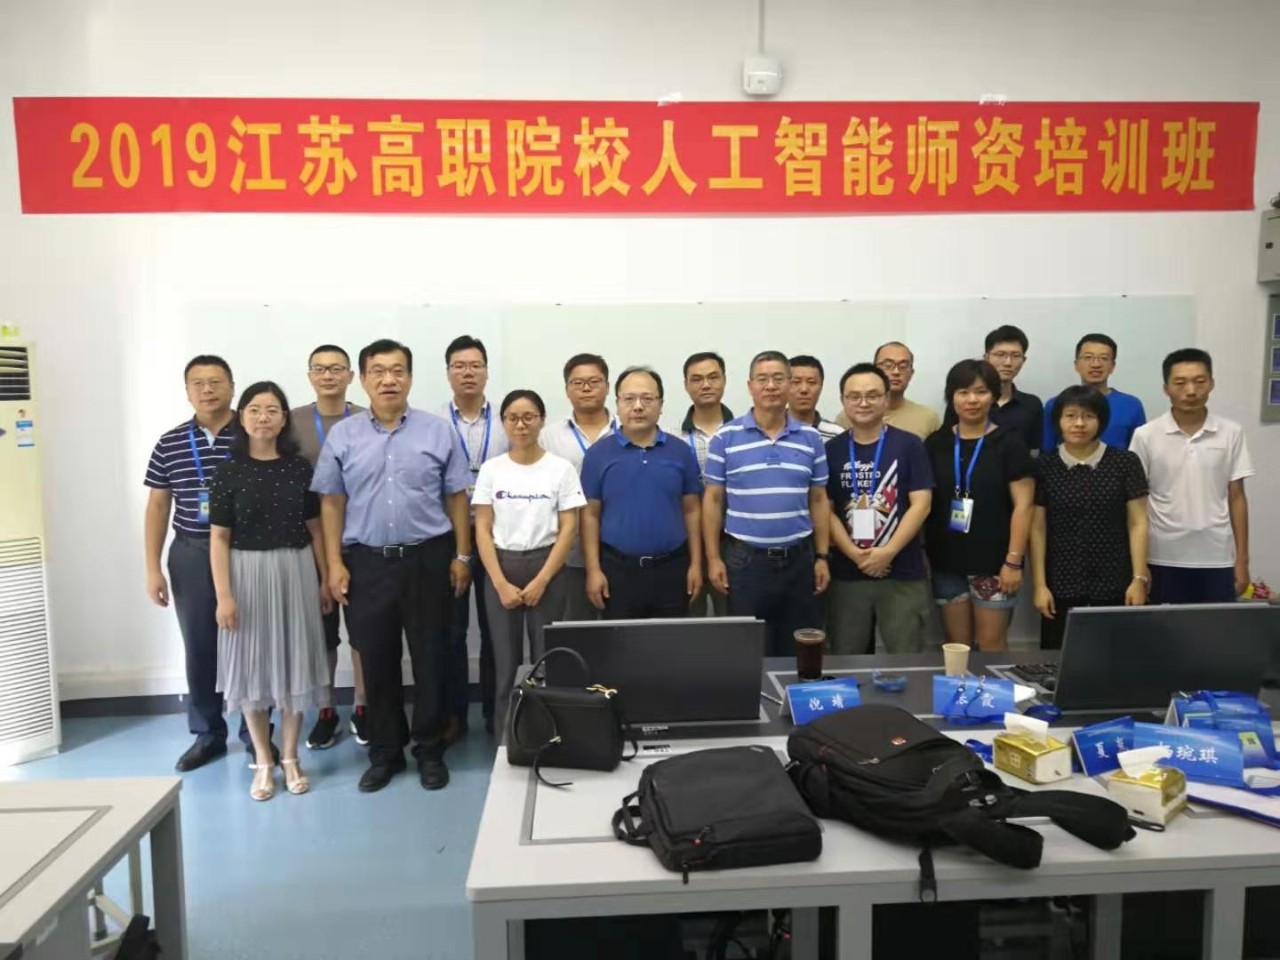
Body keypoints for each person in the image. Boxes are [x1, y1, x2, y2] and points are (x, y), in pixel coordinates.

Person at [311, 339, 474, 793]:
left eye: (398, 370)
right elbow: (331, 503)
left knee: (431, 657)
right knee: (376, 658)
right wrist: (335, 564)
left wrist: (462, 556)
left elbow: (457, 497)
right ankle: (385, 752)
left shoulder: (437, 431)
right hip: (367, 563)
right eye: (378, 371)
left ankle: (429, 750)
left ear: (410, 377)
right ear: (362, 379)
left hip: (428, 558)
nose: (389, 379)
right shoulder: (344, 436)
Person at [210, 382, 330, 801]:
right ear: (241, 418)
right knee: (252, 668)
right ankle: (263, 759)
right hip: (246, 574)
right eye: (255, 409)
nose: (263, 417)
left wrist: (324, 578)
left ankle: (291, 756)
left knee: (294, 663)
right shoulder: (227, 472)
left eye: (272, 410)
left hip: (295, 571)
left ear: (284, 419)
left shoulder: (299, 469)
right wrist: (224, 596)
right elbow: (219, 537)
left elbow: (316, 528)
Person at [145, 355, 261, 772]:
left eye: (215, 381)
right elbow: (158, 506)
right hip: (192, 552)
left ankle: (256, 735)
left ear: (232, 386)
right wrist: (152, 567)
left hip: (247, 550)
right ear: (187, 391)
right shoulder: (171, 442)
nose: (207, 390)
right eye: (198, 383)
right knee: (199, 644)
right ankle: (208, 734)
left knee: (253, 643)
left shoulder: (254, 433)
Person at [703, 351, 830, 657]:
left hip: (799, 559)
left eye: (778, 378)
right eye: (762, 379)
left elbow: (818, 499)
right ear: (750, 386)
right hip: (745, 561)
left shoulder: (811, 438)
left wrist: (822, 556)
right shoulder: (725, 438)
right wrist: (713, 558)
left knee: (798, 648)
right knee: (747, 650)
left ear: (789, 384)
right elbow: (713, 499)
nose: (770, 386)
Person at [473, 390, 585, 733]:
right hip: (501, 569)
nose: (521, 425)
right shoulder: (492, 469)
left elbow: (569, 528)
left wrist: (542, 580)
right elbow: (482, 528)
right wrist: (499, 583)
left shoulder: (560, 469)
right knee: (505, 662)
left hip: (547, 568)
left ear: (541, 420)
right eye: (513, 418)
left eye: (529, 417)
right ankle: (508, 737)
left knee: (545, 659)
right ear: (504, 422)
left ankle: (545, 733)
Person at [923, 360, 1035, 651]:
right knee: (956, 645)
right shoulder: (936, 443)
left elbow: (1024, 506)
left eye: (981, 392)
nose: (972, 400)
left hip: (995, 563)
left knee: (990, 644)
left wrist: (1013, 561)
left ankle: (993, 687)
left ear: (994, 396)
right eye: (963, 392)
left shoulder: (1010, 444)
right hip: (946, 562)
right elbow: (924, 503)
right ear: (951, 396)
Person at [290, 344, 369, 752]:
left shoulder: (368, 418)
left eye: (337, 368)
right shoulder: (292, 423)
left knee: (362, 632)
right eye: (319, 369)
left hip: (361, 538)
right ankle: (325, 709)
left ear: (351, 376)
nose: (328, 375)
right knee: (321, 633)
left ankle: (363, 705)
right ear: (309, 376)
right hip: (308, 543)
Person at [1130, 348, 1254, 604]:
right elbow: (1136, 503)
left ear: (1211, 384)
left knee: (1214, 627)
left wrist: (1242, 560)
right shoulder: (1146, 435)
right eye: (1180, 383)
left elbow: (1237, 497)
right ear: (1166, 388)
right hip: (1161, 555)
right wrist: (1139, 569)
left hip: (1217, 555)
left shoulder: (1231, 432)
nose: (1191, 391)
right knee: (1164, 627)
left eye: (1199, 381)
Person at [1030, 385, 1151, 650]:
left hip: (1116, 583)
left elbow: (1138, 523)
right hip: (1060, 584)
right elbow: (1037, 529)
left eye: (1088, 416)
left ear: (1101, 421)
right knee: (1056, 662)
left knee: (1115, 658)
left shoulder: (1125, 462)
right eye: (1070, 416)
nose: (1079, 424)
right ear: (1058, 421)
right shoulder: (1044, 467)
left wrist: (1139, 578)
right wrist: (1039, 585)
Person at [825, 363, 934, 654]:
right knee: (846, 657)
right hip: (848, 571)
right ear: (843, 401)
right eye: (854, 396)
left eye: (872, 395)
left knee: (906, 655)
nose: (863, 403)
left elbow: (921, 505)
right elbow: (825, 509)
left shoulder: (909, 445)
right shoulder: (831, 450)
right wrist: (854, 553)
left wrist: (888, 551)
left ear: (886, 399)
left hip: (902, 569)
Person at [582, 367, 703, 619]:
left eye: (647, 399)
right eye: (629, 399)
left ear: (661, 405)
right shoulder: (597, 454)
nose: (638, 406)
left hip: (673, 569)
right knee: (620, 642)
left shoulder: (680, 451)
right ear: (617, 404)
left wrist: (695, 564)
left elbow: (692, 510)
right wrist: (593, 570)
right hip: (617, 571)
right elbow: (590, 515)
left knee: (670, 641)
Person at [438, 335, 509, 737]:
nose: (468, 372)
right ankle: (454, 715)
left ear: (486, 371)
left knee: (496, 628)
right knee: (450, 629)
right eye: (459, 366)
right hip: (448, 535)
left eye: (475, 365)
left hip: (498, 534)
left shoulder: (506, 421)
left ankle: (496, 713)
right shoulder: (432, 424)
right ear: (448, 372)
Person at [538, 353, 614, 621]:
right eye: (578, 383)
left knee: (622, 633)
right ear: (567, 389)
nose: (586, 388)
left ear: (607, 386)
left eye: (594, 381)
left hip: (618, 550)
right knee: (576, 630)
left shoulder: (627, 430)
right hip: (568, 554)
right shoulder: (547, 437)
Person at [681, 351, 733, 616]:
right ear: (686, 385)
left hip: (733, 541)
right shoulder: (674, 438)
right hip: (687, 543)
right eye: (697, 379)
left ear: (724, 380)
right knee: (691, 622)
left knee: (733, 618)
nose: (706, 385)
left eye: (713, 377)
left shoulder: (743, 434)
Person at [945, 326, 1045, 454]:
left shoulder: (1032, 404)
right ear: (986, 357)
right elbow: (947, 444)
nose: (1008, 363)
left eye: (1016, 356)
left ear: (1024, 360)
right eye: (1000, 355)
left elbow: (1034, 450)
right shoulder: (965, 402)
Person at [1043, 334, 1147, 448]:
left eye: (1104, 358)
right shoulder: (1056, 404)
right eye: (1088, 357)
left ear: (1112, 366)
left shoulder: (1131, 405)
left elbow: (1138, 451)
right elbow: (1047, 450)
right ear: (1076, 365)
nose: (1096, 364)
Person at [836, 343, 941, 440]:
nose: (896, 372)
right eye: (887, 365)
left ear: (911, 373)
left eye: (903, 366)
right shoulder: (851, 415)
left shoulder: (928, 418)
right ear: (875, 370)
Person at [788, 355, 845, 440]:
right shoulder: (770, 431)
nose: (804, 389)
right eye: (796, 382)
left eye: (811, 382)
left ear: (821, 387)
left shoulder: (836, 435)